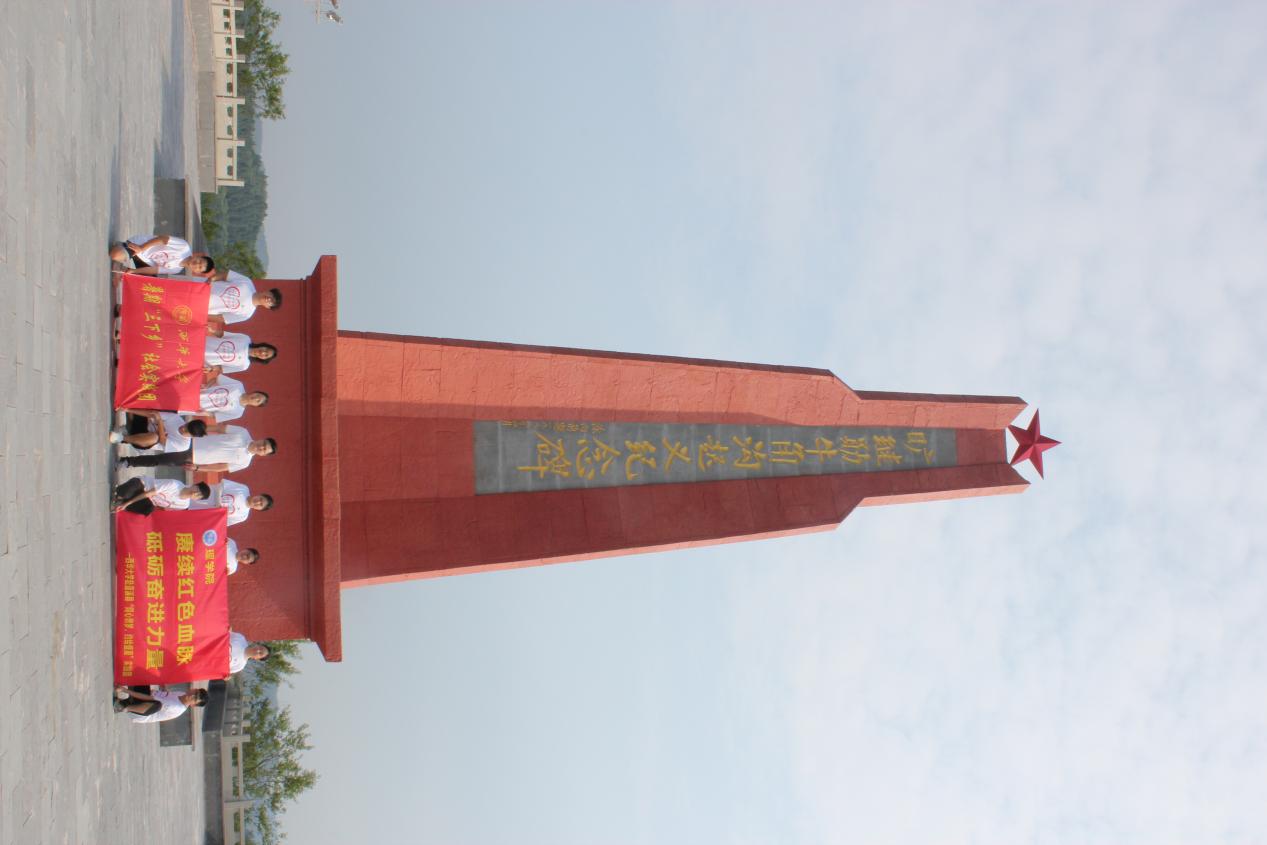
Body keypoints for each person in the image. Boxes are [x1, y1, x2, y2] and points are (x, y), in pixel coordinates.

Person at [120, 425, 276, 473]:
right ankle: (126, 437)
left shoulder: (244, 462)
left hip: (193, 458)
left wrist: (198, 468)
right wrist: (196, 430)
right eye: (263, 444)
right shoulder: (243, 433)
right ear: (261, 439)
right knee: (158, 439)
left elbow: (220, 467)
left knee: (158, 460)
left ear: (262, 454)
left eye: (264, 450)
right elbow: (219, 428)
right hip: (192, 441)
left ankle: (127, 462)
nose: (261, 447)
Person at [109, 235, 214, 276]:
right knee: (115, 255)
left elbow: (155, 270)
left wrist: (133, 271)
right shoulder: (184, 247)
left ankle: (124, 269)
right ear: (198, 256)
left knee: (150, 286)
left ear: (196, 272)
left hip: (145, 260)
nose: (197, 264)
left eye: (199, 268)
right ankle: (122, 246)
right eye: (200, 261)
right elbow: (163, 239)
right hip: (140, 245)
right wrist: (141, 248)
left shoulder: (176, 270)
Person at [205, 270, 282, 325]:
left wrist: (202, 316)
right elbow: (226, 275)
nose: (269, 299)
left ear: (268, 307)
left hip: (204, 307)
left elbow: (221, 318)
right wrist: (211, 280)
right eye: (271, 295)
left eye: (272, 302)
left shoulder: (247, 314)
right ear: (268, 291)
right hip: (203, 286)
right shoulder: (247, 282)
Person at [186, 375, 268, 423]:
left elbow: (216, 416)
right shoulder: (238, 385)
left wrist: (206, 413)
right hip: (196, 392)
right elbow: (217, 379)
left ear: (255, 406)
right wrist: (207, 386)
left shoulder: (238, 413)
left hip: (197, 408)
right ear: (255, 392)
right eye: (257, 395)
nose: (255, 398)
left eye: (258, 401)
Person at [109, 411, 205, 451]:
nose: (183, 428)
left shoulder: (184, 445)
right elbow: (154, 414)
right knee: (145, 408)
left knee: (155, 437)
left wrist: (159, 422)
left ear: (192, 436)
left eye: (186, 431)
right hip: (142, 425)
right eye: (186, 425)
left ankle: (121, 438)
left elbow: (163, 441)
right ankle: (126, 424)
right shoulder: (176, 418)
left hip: (145, 441)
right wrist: (128, 409)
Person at [193, 479, 273, 526]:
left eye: (261, 504)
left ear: (259, 509)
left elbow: (222, 523)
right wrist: (218, 505)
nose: (258, 502)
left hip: (198, 512)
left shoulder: (243, 516)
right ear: (259, 495)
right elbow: (220, 486)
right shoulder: (244, 489)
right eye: (260, 499)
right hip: (200, 493)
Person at [111, 478, 211, 515]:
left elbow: (162, 509)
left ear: (197, 499)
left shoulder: (184, 505)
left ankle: (123, 504)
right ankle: (122, 497)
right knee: (124, 493)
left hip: (148, 500)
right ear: (194, 485)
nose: (195, 493)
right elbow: (148, 493)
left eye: (199, 496)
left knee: (148, 509)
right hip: (143, 487)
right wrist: (127, 503)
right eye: (197, 490)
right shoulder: (174, 484)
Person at [114, 685, 207, 723]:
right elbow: (163, 694)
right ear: (193, 689)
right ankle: (125, 701)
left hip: (141, 714)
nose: (192, 695)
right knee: (144, 678)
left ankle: (124, 707)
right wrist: (163, 686)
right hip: (144, 701)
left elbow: (147, 698)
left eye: (195, 698)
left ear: (193, 705)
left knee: (157, 705)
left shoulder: (175, 707)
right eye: (195, 692)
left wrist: (125, 690)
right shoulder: (182, 694)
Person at [203, 331, 277, 376]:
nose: (263, 352)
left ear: (263, 359)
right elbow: (223, 335)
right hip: (204, 342)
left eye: (266, 355)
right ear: (264, 345)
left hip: (203, 360)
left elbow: (221, 368)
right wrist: (211, 330)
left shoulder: (244, 365)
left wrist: (211, 368)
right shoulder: (245, 338)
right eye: (266, 349)